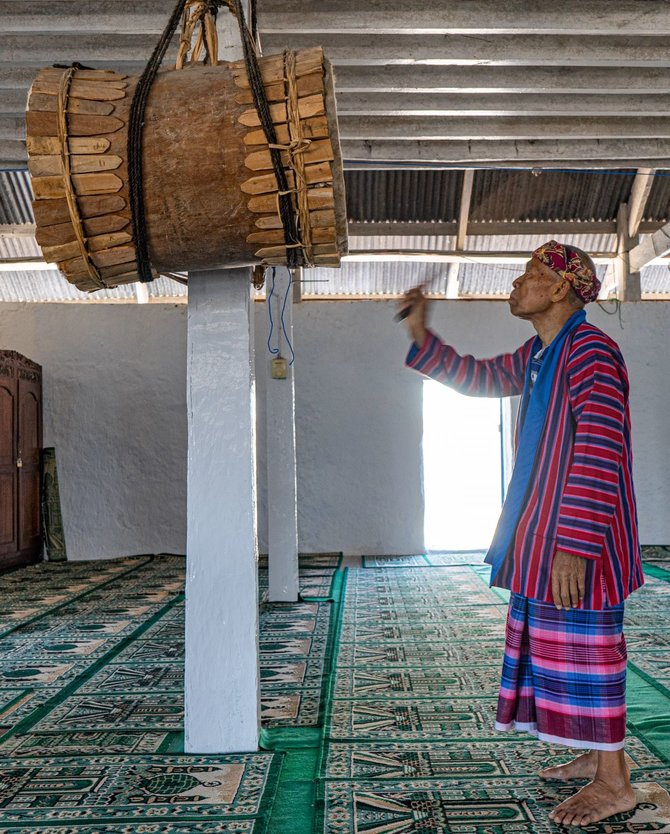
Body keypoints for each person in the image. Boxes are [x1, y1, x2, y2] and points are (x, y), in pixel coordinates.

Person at [400, 240, 643, 828]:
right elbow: (478, 378)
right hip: (544, 536)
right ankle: (596, 757)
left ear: (561, 288)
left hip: (577, 543)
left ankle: (615, 784)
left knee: (588, 653)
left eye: (530, 273)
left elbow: (600, 450)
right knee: (563, 652)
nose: (517, 283)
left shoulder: (590, 352)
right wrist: (420, 338)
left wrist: (576, 546)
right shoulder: (542, 354)